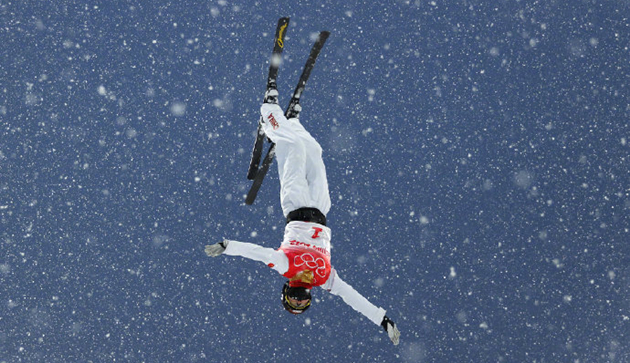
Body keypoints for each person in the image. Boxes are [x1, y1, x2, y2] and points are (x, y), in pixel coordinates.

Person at [205, 88, 401, 345]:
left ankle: (269, 115)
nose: (301, 292)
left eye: (295, 295)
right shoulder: (325, 278)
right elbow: (353, 298)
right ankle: (292, 122)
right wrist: (383, 319)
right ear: (310, 296)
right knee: (314, 150)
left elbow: (258, 253)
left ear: (288, 288)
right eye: (303, 298)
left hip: (296, 205)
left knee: (293, 147)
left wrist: (228, 246)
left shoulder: (286, 266)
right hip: (321, 208)